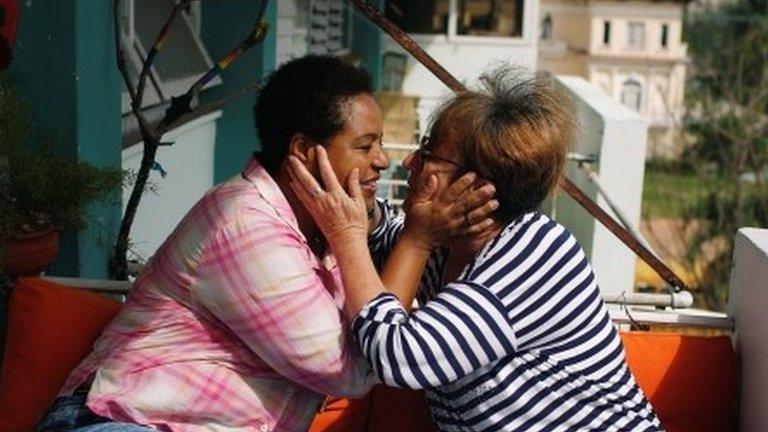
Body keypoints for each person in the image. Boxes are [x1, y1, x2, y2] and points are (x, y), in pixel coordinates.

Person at [37, 55, 496, 432]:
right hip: (121, 422)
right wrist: (411, 240)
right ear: (302, 150)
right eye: (364, 145)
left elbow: (378, 274)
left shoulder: (321, 223)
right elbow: (357, 366)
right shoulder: (245, 224)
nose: (382, 161)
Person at [288, 66, 664, 431]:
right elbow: (385, 243)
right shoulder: (452, 242)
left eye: (429, 153)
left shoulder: (535, 253)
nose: (406, 162)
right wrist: (352, 194)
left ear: (477, 187)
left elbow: (395, 357)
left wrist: (352, 233)